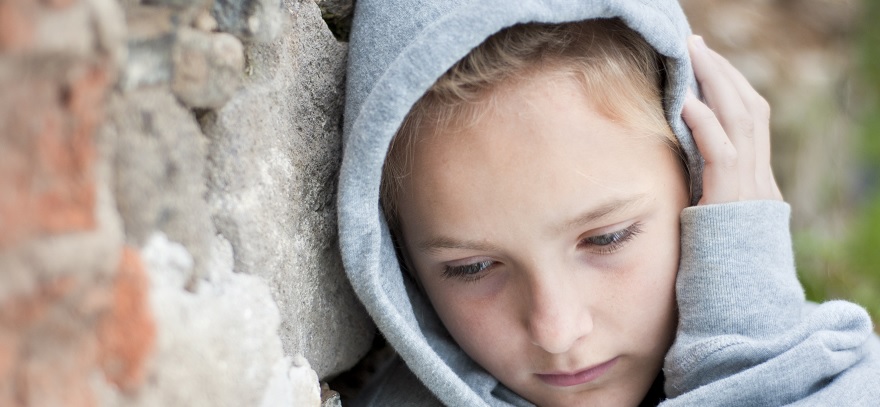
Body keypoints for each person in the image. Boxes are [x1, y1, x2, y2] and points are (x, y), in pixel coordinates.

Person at [336, 0, 880, 406]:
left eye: (607, 237)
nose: (558, 330)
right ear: (398, 262)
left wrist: (746, 345)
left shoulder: (841, 377)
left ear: (699, 178)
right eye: (471, 267)